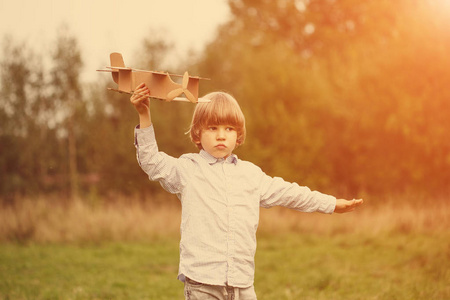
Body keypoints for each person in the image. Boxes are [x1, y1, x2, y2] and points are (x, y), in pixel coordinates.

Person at [130, 83, 363, 300]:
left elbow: (291, 193)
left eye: (229, 128)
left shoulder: (251, 175)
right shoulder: (188, 169)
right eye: (213, 128)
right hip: (202, 284)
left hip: (242, 284)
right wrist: (144, 115)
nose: (221, 135)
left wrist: (331, 204)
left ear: (238, 135)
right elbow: (151, 161)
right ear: (198, 133)